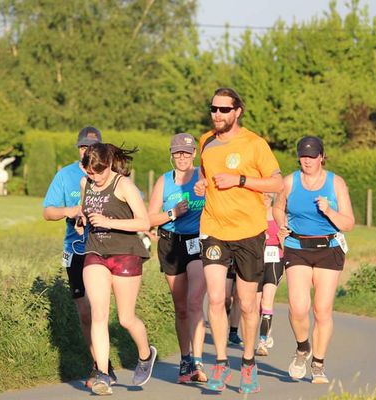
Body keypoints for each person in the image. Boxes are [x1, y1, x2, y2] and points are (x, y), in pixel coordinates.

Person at [194, 87, 283, 394]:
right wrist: (202, 185)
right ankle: (220, 362)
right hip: (214, 228)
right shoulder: (205, 142)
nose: (217, 115)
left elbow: (277, 182)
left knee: (246, 304)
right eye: (213, 109)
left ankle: (247, 363)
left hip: (249, 232)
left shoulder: (255, 144)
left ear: (237, 112)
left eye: (223, 110)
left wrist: (241, 180)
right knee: (216, 299)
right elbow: (204, 176)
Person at [273, 136, 354, 384]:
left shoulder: (335, 183)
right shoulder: (289, 181)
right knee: (298, 307)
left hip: (328, 247)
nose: (307, 161)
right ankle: (302, 348)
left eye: (312, 156)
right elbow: (278, 208)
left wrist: (329, 210)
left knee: (322, 309)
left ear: (322, 157)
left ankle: (318, 364)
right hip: (297, 245)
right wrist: (281, 224)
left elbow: (349, 223)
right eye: (303, 156)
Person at [79, 142, 157, 395]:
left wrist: (110, 222)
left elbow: (144, 221)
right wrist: (82, 220)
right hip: (95, 251)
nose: (94, 177)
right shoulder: (86, 184)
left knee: (125, 318)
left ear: (109, 165)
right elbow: (86, 211)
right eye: (90, 172)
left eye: (99, 172)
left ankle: (145, 355)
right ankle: (103, 373)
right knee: (98, 313)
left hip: (126, 253)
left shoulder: (123, 185)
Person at [43, 126, 117, 387]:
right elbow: (47, 211)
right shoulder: (65, 175)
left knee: (100, 309)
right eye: (84, 147)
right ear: (79, 148)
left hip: (105, 248)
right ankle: (101, 363)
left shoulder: (111, 172)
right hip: (75, 250)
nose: (88, 151)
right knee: (86, 312)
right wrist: (69, 210)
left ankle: (102, 367)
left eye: (93, 147)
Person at [148, 133, 207, 384]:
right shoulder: (164, 181)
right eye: (177, 153)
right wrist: (173, 212)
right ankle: (185, 359)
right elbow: (149, 218)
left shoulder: (202, 177)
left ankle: (199, 361)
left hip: (197, 242)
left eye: (186, 152)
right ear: (172, 155)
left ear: (194, 153)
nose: (182, 157)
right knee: (181, 307)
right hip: (170, 244)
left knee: (194, 302)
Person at [256, 193, 284, 356]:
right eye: (262, 194)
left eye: (268, 195)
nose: (265, 197)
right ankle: (267, 329)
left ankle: (262, 341)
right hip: (256, 260)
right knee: (257, 303)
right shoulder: (253, 213)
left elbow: (288, 243)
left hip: (275, 259)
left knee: (267, 300)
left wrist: (281, 239)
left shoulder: (278, 214)